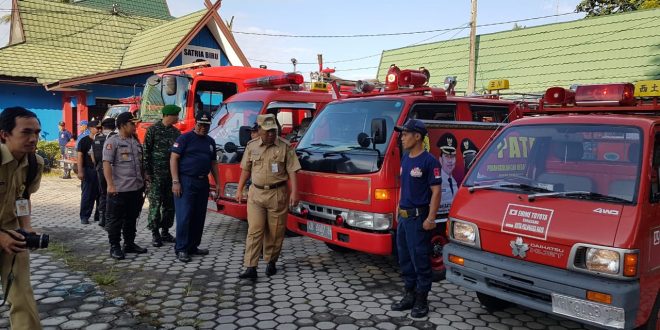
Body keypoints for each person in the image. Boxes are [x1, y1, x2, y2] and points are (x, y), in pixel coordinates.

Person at [236, 114, 301, 280]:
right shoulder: (251, 146)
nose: (271, 134)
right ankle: (251, 266)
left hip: (277, 194)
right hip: (256, 194)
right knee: (254, 229)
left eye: (273, 131)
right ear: (259, 130)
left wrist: (295, 192)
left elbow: (292, 170)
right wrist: (239, 188)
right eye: (267, 131)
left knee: (276, 231)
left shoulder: (285, 147)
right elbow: (245, 169)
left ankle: (271, 261)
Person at [391, 119, 441, 318]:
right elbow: (405, 186)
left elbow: (436, 192)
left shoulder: (430, 161)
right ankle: (409, 294)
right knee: (404, 259)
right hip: (404, 218)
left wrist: (431, 218)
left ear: (417, 136)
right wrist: (398, 205)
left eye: (405, 134)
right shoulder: (405, 158)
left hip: (418, 219)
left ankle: (422, 299)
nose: (402, 137)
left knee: (419, 259)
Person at [0, 107, 44, 329]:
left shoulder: (34, 163)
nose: (33, 138)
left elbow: (22, 198)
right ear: (4, 134)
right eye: (26, 132)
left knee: (22, 295)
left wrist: (26, 229)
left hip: (13, 234)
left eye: (37, 132)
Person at [170, 112, 220, 262]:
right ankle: (181, 248)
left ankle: (192, 246)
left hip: (202, 182)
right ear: (196, 123)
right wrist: (175, 181)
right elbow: (173, 158)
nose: (203, 128)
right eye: (201, 125)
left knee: (199, 216)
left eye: (206, 125)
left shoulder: (210, 141)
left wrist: (217, 183)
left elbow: (213, 164)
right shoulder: (184, 138)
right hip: (186, 181)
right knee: (184, 216)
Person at [103, 112, 147, 260]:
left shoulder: (135, 141)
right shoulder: (113, 141)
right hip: (119, 189)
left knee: (132, 218)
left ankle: (129, 243)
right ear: (122, 125)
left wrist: (144, 180)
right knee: (116, 219)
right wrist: (110, 185)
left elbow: (140, 164)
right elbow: (106, 163)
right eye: (132, 123)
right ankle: (114, 246)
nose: (135, 126)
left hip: (136, 188)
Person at [144, 105, 181, 247]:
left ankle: (165, 231)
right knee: (155, 204)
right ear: (168, 115)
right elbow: (146, 152)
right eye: (176, 115)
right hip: (155, 176)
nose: (178, 118)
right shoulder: (152, 130)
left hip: (171, 176)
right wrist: (147, 174)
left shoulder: (176, 133)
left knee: (169, 205)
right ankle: (155, 233)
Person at [93, 118, 116, 229]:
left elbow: (92, 155)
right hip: (111, 169)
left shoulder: (97, 137)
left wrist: (97, 166)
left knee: (102, 193)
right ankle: (109, 218)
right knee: (112, 194)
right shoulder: (114, 137)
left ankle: (101, 219)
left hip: (99, 168)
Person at [77, 120, 100, 224]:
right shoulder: (84, 141)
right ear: (90, 128)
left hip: (100, 170)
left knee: (101, 194)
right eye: (97, 127)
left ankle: (99, 216)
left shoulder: (103, 140)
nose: (99, 129)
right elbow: (80, 156)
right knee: (88, 194)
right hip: (89, 170)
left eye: (100, 128)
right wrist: (80, 171)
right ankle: (84, 216)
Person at [436, 132, 459, 215]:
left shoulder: (455, 182)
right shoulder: (437, 180)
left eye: (452, 157)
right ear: (440, 160)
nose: (450, 161)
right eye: (447, 156)